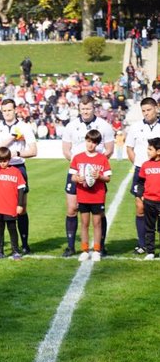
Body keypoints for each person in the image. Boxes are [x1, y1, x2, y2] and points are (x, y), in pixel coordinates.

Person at [60, 95, 115, 257]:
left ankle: (101, 246)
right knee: (72, 209)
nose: (85, 111)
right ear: (79, 109)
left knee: (99, 212)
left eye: (88, 108)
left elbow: (109, 149)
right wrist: (79, 167)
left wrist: (94, 167)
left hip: (95, 174)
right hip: (77, 170)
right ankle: (71, 247)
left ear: (94, 108)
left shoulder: (104, 126)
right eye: (83, 108)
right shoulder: (71, 126)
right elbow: (66, 149)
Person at [0, 98, 37, 254]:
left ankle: (24, 244)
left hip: (18, 166)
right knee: (0, 207)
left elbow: (33, 151)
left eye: (10, 110)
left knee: (21, 208)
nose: (7, 113)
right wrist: (11, 138)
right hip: (1, 168)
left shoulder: (24, 127)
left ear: (15, 110)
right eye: (4, 111)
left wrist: (17, 153)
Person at [69, 130, 112, 262]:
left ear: (98, 144)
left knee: (97, 223)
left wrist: (99, 177)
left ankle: (97, 250)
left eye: (94, 142)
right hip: (83, 195)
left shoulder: (102, 159)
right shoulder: (78, 157)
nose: (90, 145)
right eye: (88, 141)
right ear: (85, 141)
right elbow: (72, 176)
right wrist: (78, 178)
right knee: (84, 223)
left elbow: (108, 178)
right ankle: (85, 250)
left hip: (97, 196)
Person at [126, 97, 160, 254]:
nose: (146, 113)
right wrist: (141, 166)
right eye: (144, 111)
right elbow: (129, 149)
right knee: (140, 208)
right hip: (142, 172)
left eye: (149, 110)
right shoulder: (135, 127)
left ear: (156, 108)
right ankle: (143, 244)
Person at [0, 147, 26, 259]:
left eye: (5, 161)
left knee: (12, 229)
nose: (3, 163)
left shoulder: (16, 171)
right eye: (0, 161)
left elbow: (21, 189)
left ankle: (15, 251)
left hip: (10, 207)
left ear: (9, 159)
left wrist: (20, 204)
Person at [137, 137, 160, 260]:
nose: (147, 151)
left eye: (150, 149)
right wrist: (141, 194)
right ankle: (150, 251)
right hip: (149, 201)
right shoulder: (145, 165)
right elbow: (141, 182)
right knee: (149, 227)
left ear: (158, 151)